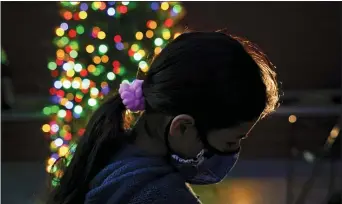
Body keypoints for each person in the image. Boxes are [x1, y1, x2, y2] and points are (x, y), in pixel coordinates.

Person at [48, 31, 279, 204]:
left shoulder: (108, 155)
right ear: (182, 128)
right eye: (231, 141)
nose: (234, 152)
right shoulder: (165, 197)